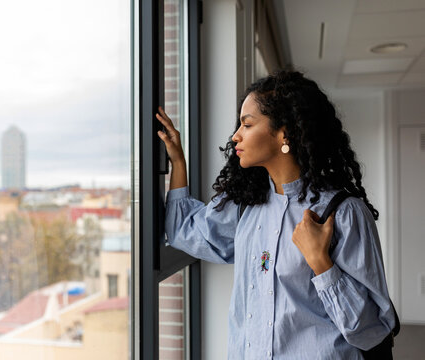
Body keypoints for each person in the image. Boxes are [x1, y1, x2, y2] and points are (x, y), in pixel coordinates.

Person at [156, 70, 396, 359]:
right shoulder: (245, 205)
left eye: (247, 124)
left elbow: (372, 331)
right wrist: (177, 161)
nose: (236, 136)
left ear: (284, 133)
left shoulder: (343, 214)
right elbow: (185, 231)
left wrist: (322, 264)